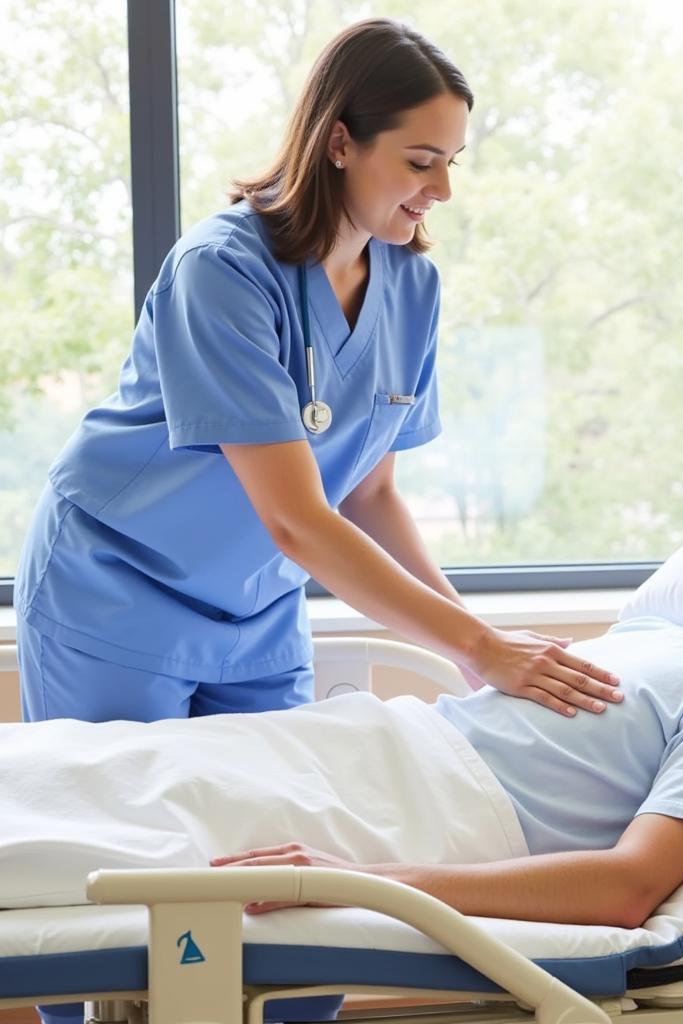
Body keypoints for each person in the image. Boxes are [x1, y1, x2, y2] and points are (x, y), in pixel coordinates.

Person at [13, 17, 619, 735]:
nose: (443, 190)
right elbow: (296, 518)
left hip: (260, 614)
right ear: (340, 142)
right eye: (422, 161)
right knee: (128, 838)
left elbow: (371, 494)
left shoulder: (411, 288)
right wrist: (479, 647)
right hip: (118, 590)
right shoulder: (223, 271)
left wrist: (469, 645)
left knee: (269, 836)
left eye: (453, 162)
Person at [2, 488, 683, 931]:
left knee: (96, 824)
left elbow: (631, 888)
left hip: (407, 811)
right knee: (80, 763)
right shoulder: (654, 637)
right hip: (363, 746)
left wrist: (356, 883)